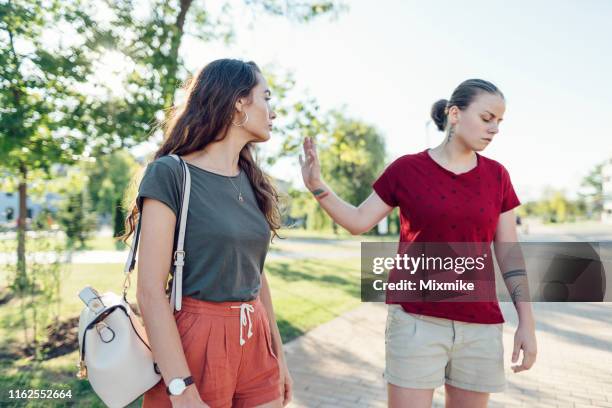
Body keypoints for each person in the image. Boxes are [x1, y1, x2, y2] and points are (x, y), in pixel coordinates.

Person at [299, 79, 537, 408]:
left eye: (499, 121)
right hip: (415, 323)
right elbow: (357, 221)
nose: (494, 128)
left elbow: (510, 254)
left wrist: (527, 323)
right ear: (455, 114)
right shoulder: (407, 170)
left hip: (480, 328)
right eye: (486, 118)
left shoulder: (498, 176)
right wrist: (317, 186)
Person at [122, 59, 292, 408]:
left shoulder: (253, 180)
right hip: (196, 341)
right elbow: (150, 291)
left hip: (255, 334)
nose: (273, 112)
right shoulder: (170, 174)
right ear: (238, 103)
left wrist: (279, 355)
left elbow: (257, 274)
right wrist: (182, 390)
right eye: (267, 98)